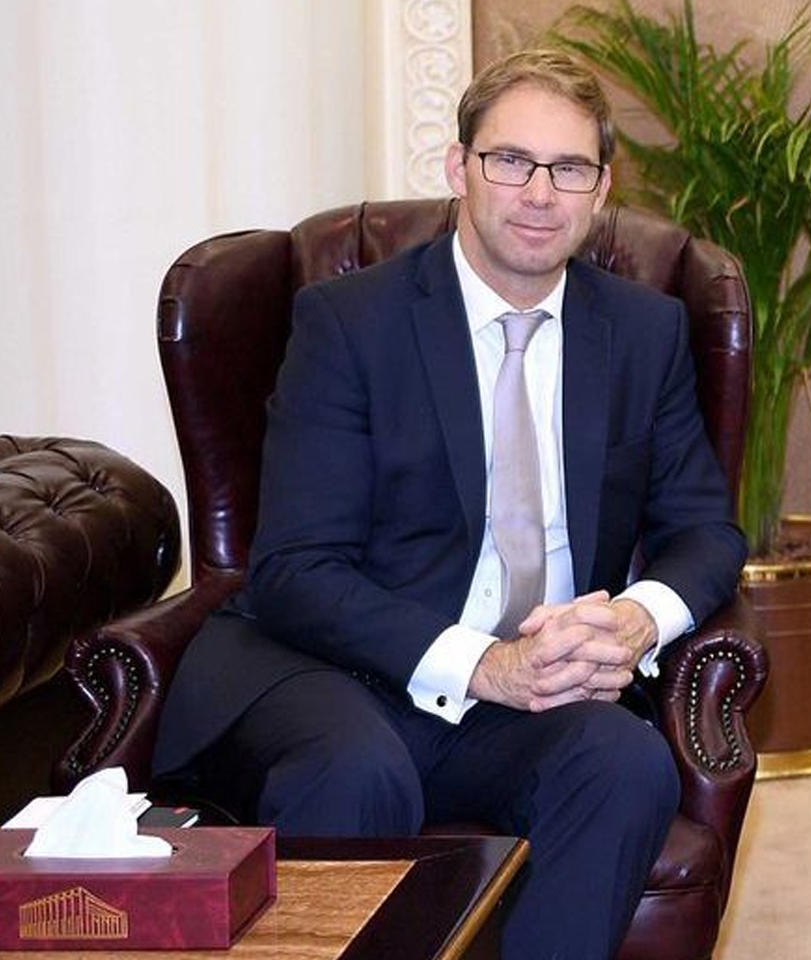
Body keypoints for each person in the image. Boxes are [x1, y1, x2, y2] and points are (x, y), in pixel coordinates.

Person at [150, 49, 746, 960]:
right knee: (358, 773)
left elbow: (705, 529)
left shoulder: (641, 331)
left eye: (569, 169)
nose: (539, 193)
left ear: (601, 189)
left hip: (528, 696)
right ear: (458, 168)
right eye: (510, 161)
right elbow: (295, 571)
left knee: (624, 764)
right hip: (340, 672)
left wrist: (635, 621)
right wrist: (486, 666)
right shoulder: (349, 323)